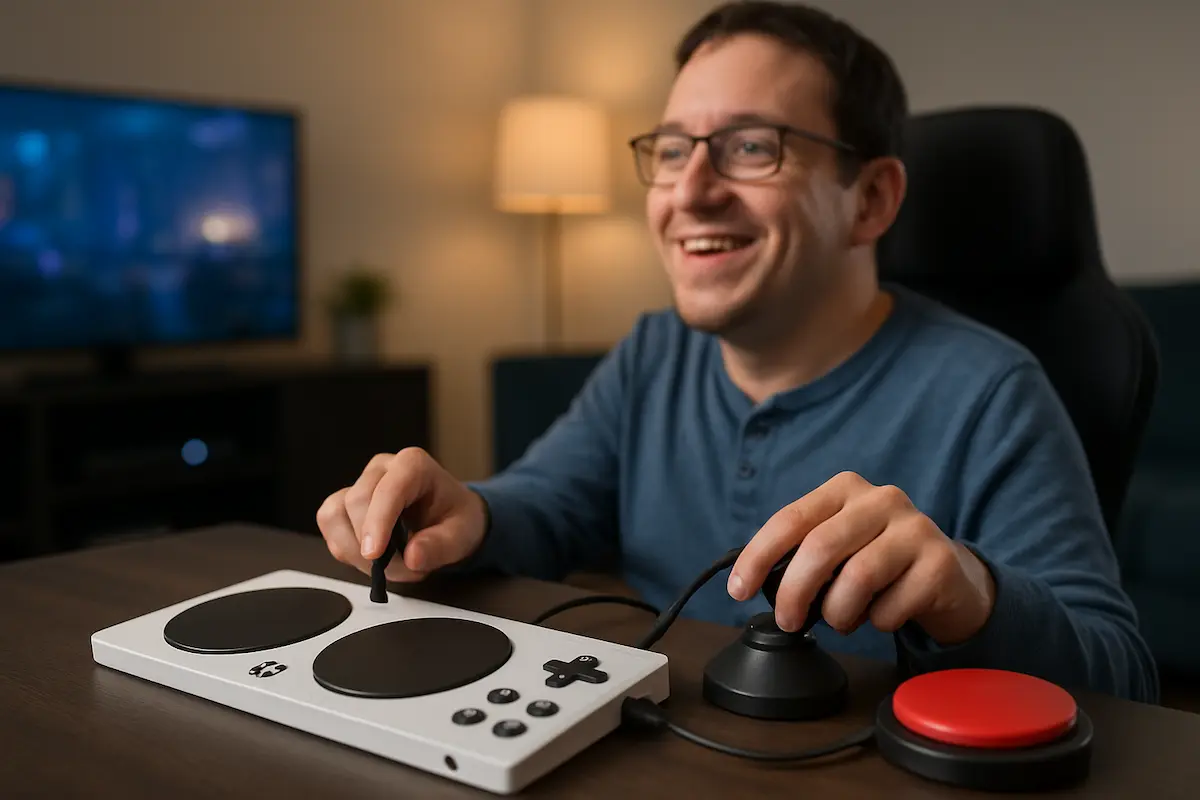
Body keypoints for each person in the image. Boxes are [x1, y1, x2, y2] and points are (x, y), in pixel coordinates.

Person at [317, 0, 1158, 703]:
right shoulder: (656, 352)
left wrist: (971, 596)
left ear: (869, 201)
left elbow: (1124, 683)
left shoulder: (990, 391)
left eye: (752, 146)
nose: (689, 191)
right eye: (673, 149)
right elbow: (552, 501)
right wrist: (473, 510)